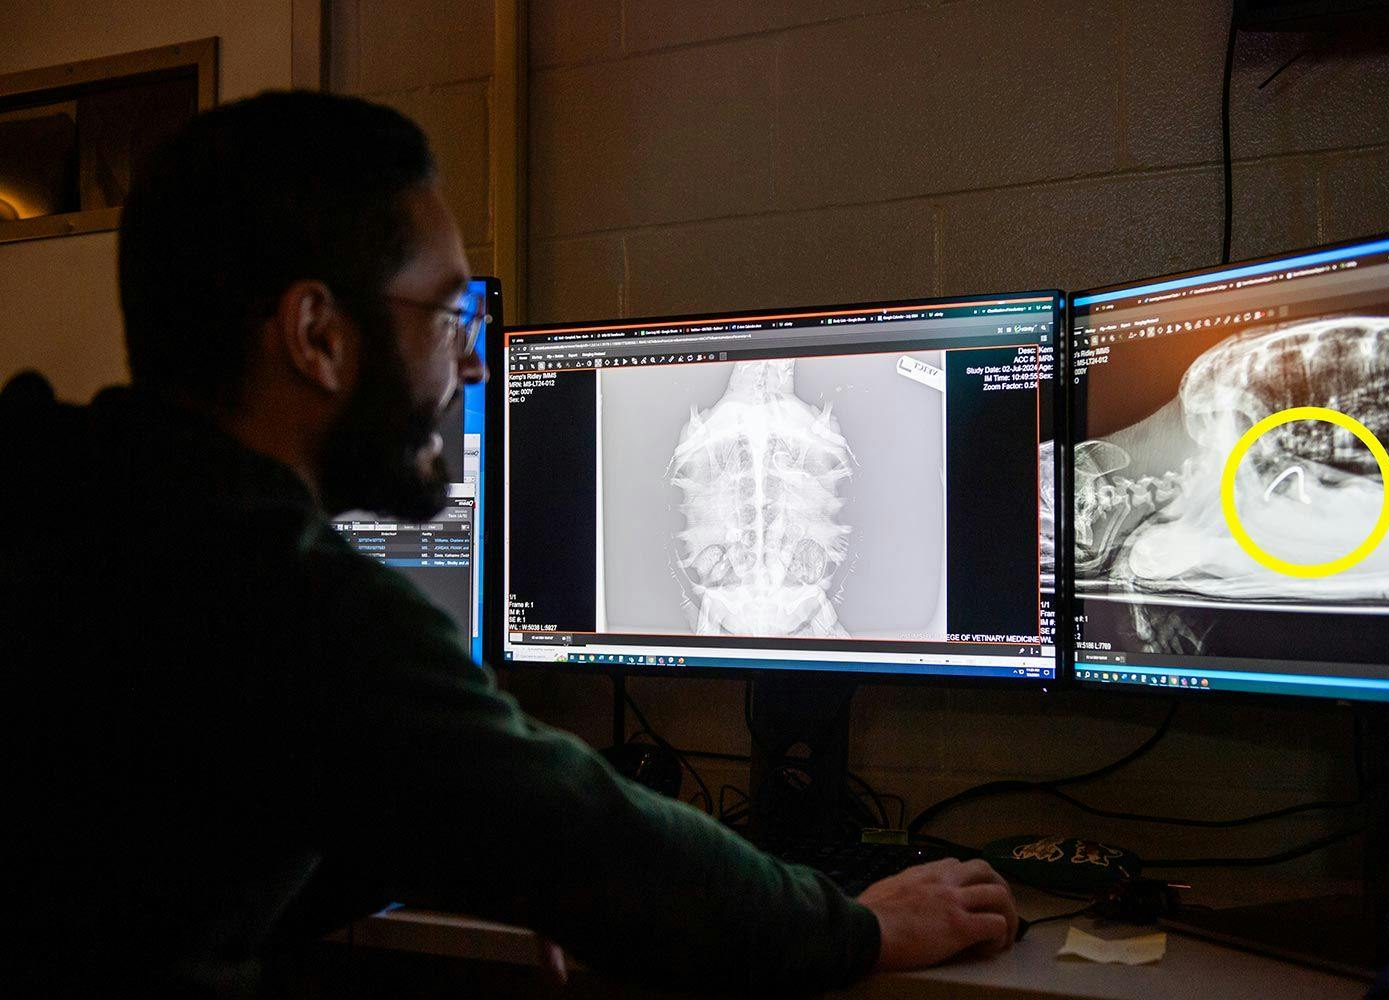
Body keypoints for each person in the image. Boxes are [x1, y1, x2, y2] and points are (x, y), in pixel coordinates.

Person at [0, 90, 1016, 997]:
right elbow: (585, 841)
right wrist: (868, 925)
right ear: (316, 334)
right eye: (448, 316)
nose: (477, 365)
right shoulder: (280, 593)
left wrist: (478, 845)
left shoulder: (73, 495)